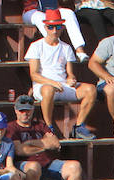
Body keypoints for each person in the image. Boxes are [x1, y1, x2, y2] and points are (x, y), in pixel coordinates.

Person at [6, 93, 84, 180]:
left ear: (32, 110)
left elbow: (55, 143)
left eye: (28, 110)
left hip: (48, 164)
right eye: (21, 110)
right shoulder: (12, 127)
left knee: (75, 166)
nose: (25, 113)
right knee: (34, 166)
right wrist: (44, 144)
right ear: (16, 110)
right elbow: (20, 150)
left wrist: (30, 144)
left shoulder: (40, 125)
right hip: (25, 165)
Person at [27, 8, 95, 139]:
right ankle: (48, 127)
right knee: (48, 90)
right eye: (51, 27)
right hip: (44, 86)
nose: (54, 31)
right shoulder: (36, 46)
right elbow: (34, 75)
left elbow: (70, 73)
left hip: (62, 86)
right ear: (45, 27)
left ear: (62, 27)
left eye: (57, 27)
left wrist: (71, 79)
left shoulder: (66, 47)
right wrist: (53, 83)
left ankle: (79, 126)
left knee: (90, 89)